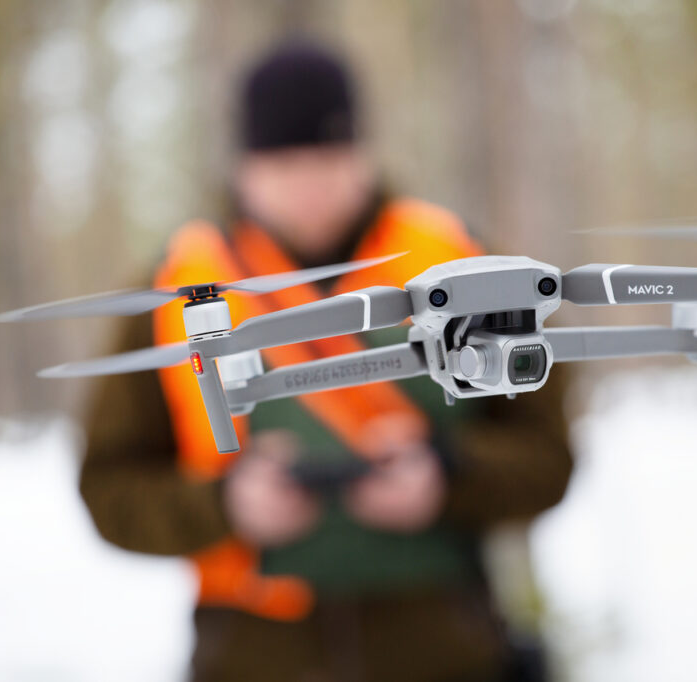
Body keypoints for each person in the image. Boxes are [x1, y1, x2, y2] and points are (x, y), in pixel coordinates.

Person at [79, 40, 572, 682]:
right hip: (249, 659)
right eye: (284, 162)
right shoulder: (176, 288)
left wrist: (446, 476)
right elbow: (109, 489)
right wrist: (227, 504)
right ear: (244, 167)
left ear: (363, 154)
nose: (309, 185)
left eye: (328, 156)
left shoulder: (461, 262)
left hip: (446, 651)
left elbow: (550, 458)